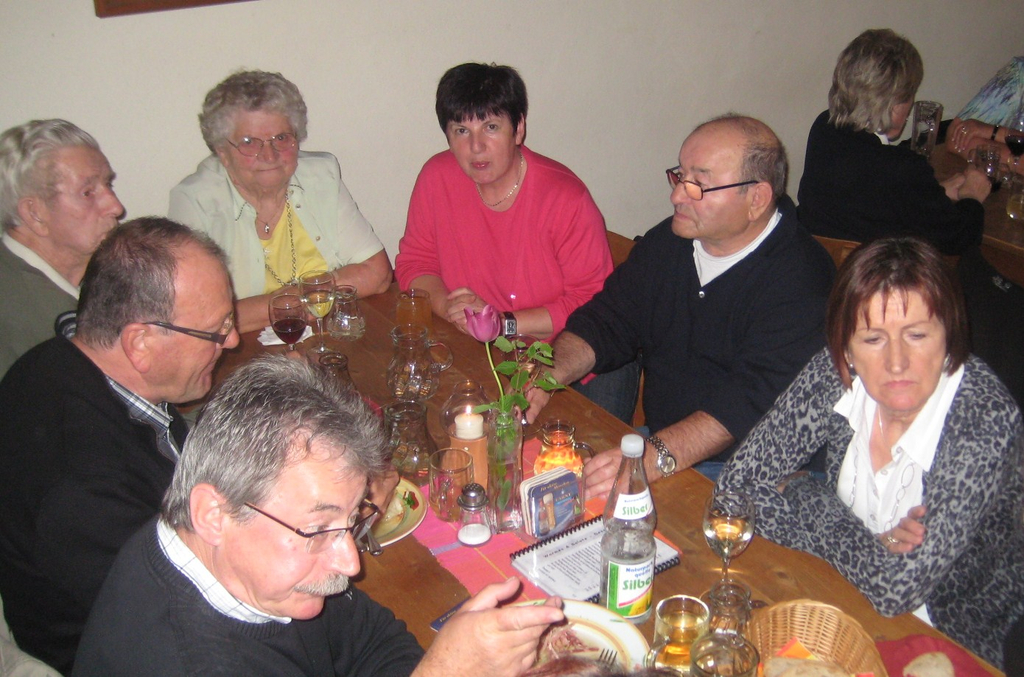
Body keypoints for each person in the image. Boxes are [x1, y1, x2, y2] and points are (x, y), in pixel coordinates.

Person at [73, 356, 564, 676]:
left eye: (352, 520)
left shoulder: (264, 573)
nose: (351, 562)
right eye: (316, 529)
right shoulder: (186, 660)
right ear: (213, 514)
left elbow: (370, 639)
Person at [718, 237, 1024, 668]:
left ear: (949, 333)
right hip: (838, 597)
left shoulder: (984, 419)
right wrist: (862, 545)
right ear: (846, 347)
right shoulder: (833, 374)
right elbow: (734, 490)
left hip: (951, 640)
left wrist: (805, 493)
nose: (897, 362)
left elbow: (897, 591)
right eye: (873, 339)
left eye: (917, 334)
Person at [527, 115, 834, 493]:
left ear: (756, 199)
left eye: (698, 185)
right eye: (680, 176)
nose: (676, 196)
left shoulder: (803, 278)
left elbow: (749, 403)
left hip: (761, 474)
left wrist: (651, 458)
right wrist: (549, 373)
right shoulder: (669, 243)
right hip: (668, 447)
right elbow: (607, 320)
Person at [0, 217, 238, 673]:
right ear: (140, 343)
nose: (232, 339)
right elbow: (198, 613)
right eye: (216, 330)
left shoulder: (61, 360)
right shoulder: (82, 488)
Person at [395, 62, 634, 421]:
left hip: (575, 365)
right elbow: (416, 262)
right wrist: (449, 307)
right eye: (461, 130)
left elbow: (595, 308)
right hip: (489, 356)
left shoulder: (565, 199)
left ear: (518, 129)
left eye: (491, 127)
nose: (476, 147)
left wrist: (502, 323)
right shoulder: (436, 177)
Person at [169, 70, 392, 334]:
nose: (269, 155)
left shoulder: (321, 176)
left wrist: (274, 305)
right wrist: (310, 297)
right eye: (249, 142)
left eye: (281, 138)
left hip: (328, 336)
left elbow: (377, 274)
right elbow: (197, 316)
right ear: (222, 152)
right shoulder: (196, 202)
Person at [797, 29, 991, 256]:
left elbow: (868, 202)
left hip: (816, 263)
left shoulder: (824, 127)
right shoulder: (902, 168)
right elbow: (958, 239)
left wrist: (933, 195)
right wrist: (972, 196)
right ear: (893, 105)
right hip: (872, 273)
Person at [0, 119, 124, 376]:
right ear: (35, 213)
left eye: (108, 185)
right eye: (88, 192)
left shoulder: (101, 276)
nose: (116, 207)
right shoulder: (16, 313)